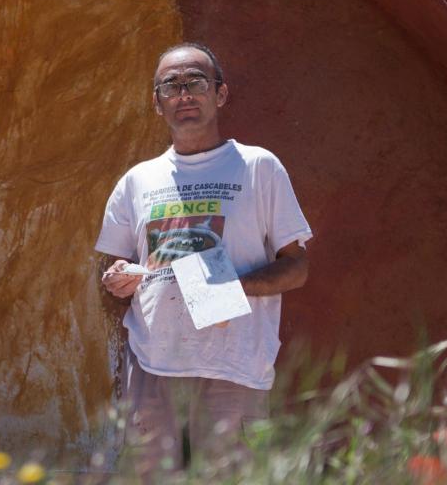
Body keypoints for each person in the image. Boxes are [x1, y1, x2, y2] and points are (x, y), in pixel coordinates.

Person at [95, 43, 313, 476]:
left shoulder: (258, 167)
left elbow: (297, 266)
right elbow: (113, 267)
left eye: (195, 82)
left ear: (220, 94)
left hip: (233, 369)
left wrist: (234, 286)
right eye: (170, 86)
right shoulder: (137, 181)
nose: (184, 94)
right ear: (157, 103)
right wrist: (116, 277)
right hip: (153, 370)